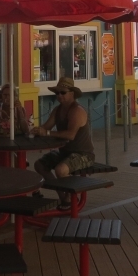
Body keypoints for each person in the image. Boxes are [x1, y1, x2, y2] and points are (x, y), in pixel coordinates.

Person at [33, 77, 95, 210]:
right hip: (64, 152)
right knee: (39, 165)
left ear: (72, 94)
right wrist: (36, 129)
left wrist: (47, 133)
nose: (59, 95)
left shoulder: (77, 110)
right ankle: (64, 197)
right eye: (57, 93)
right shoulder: (57, 110)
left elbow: (70, 135)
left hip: (83, 154)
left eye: (63, 92)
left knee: (60, 170)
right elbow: (46, 127)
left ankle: (72, 196)